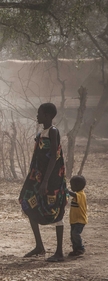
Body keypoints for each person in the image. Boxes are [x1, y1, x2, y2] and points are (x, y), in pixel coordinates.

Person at [19, 103, 68, 262]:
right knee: (28, 202)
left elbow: (54, 157)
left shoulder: (53, 132)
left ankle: (59, 252)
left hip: (52, 177)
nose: (37, 116)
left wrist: (46, 181)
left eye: (39, 113)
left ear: (47, 115)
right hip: (38, 177)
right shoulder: (43, 132)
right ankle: (39, 246)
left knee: (56, 209)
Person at [67, 175, 87, 257]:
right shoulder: (78, 194)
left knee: (75, 234)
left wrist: (66, 190)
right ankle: (75, 249)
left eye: (72, 185)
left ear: (78, 186)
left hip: (80, 220)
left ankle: (80, 248)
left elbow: (73, 195)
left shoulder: (81, 194)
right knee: (72, 235)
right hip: (74, 220)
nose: (71, 187)